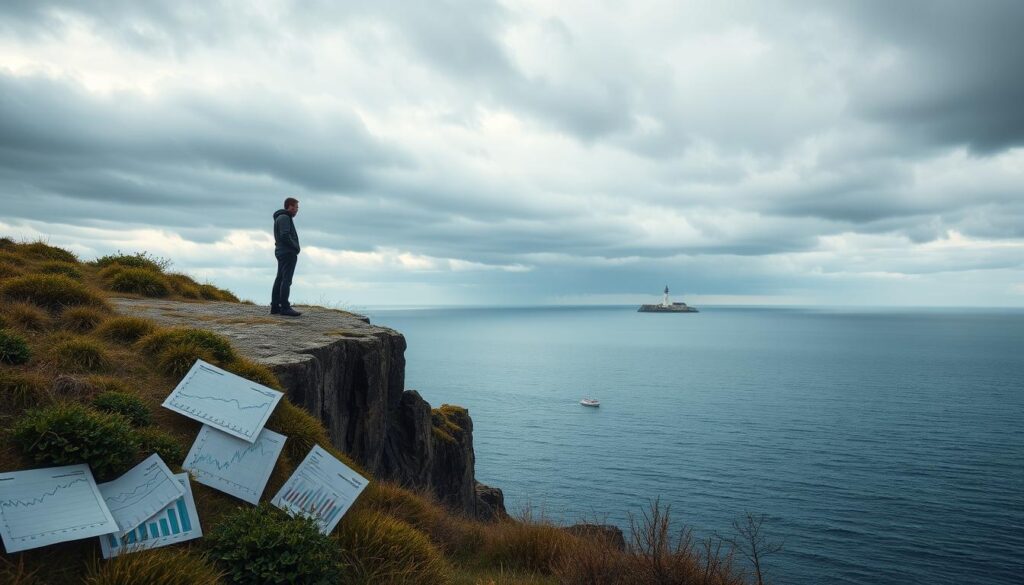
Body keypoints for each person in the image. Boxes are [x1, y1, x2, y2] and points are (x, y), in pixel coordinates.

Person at [271, 197, 302, 316]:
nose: (297, 210)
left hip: (281, 251)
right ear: (289, 206)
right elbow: (284, 235)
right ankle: (284, 307)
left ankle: (275, 306)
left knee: (280, 278)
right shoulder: (284, 218)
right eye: (296, 207)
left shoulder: (281, 217)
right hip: (287, 252)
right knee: (286, 280)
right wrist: (295, 247)